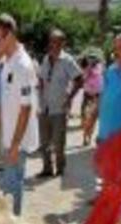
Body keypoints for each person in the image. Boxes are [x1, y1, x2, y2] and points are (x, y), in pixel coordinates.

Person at [0, 14, 40, 215]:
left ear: (9, 35)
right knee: (8, 186)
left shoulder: (22, 65)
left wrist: (16, 145)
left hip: (18, 138)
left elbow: (26, 108)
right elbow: (6, 96)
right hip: (8, 134)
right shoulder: (7, 61)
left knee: (11, 188)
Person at [37, 29, 83, 178]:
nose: (53, 44)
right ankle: (47, 168)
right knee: (44, 141)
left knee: (58, 141)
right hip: (44, 107)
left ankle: (60, 168)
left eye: (57, 41)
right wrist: (39, 93)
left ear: (63, 43)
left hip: (59, 107)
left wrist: (69, 97)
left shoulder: (68, 60)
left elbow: (79, 79)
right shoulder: (46, 58)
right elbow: (41, 79)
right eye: (51, 41)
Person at [80, 55, 105, 146]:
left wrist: (90, 70)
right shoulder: (85, 70)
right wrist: (87, 71)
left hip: (97, 96)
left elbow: (98, 76)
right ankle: (85, 136)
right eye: (89, 59)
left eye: (92, 59)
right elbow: (83, 79)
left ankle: (88, 137)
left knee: (92, 118)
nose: (90, 61)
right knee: (85, 117)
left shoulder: (98, 68)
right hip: (87, 95)